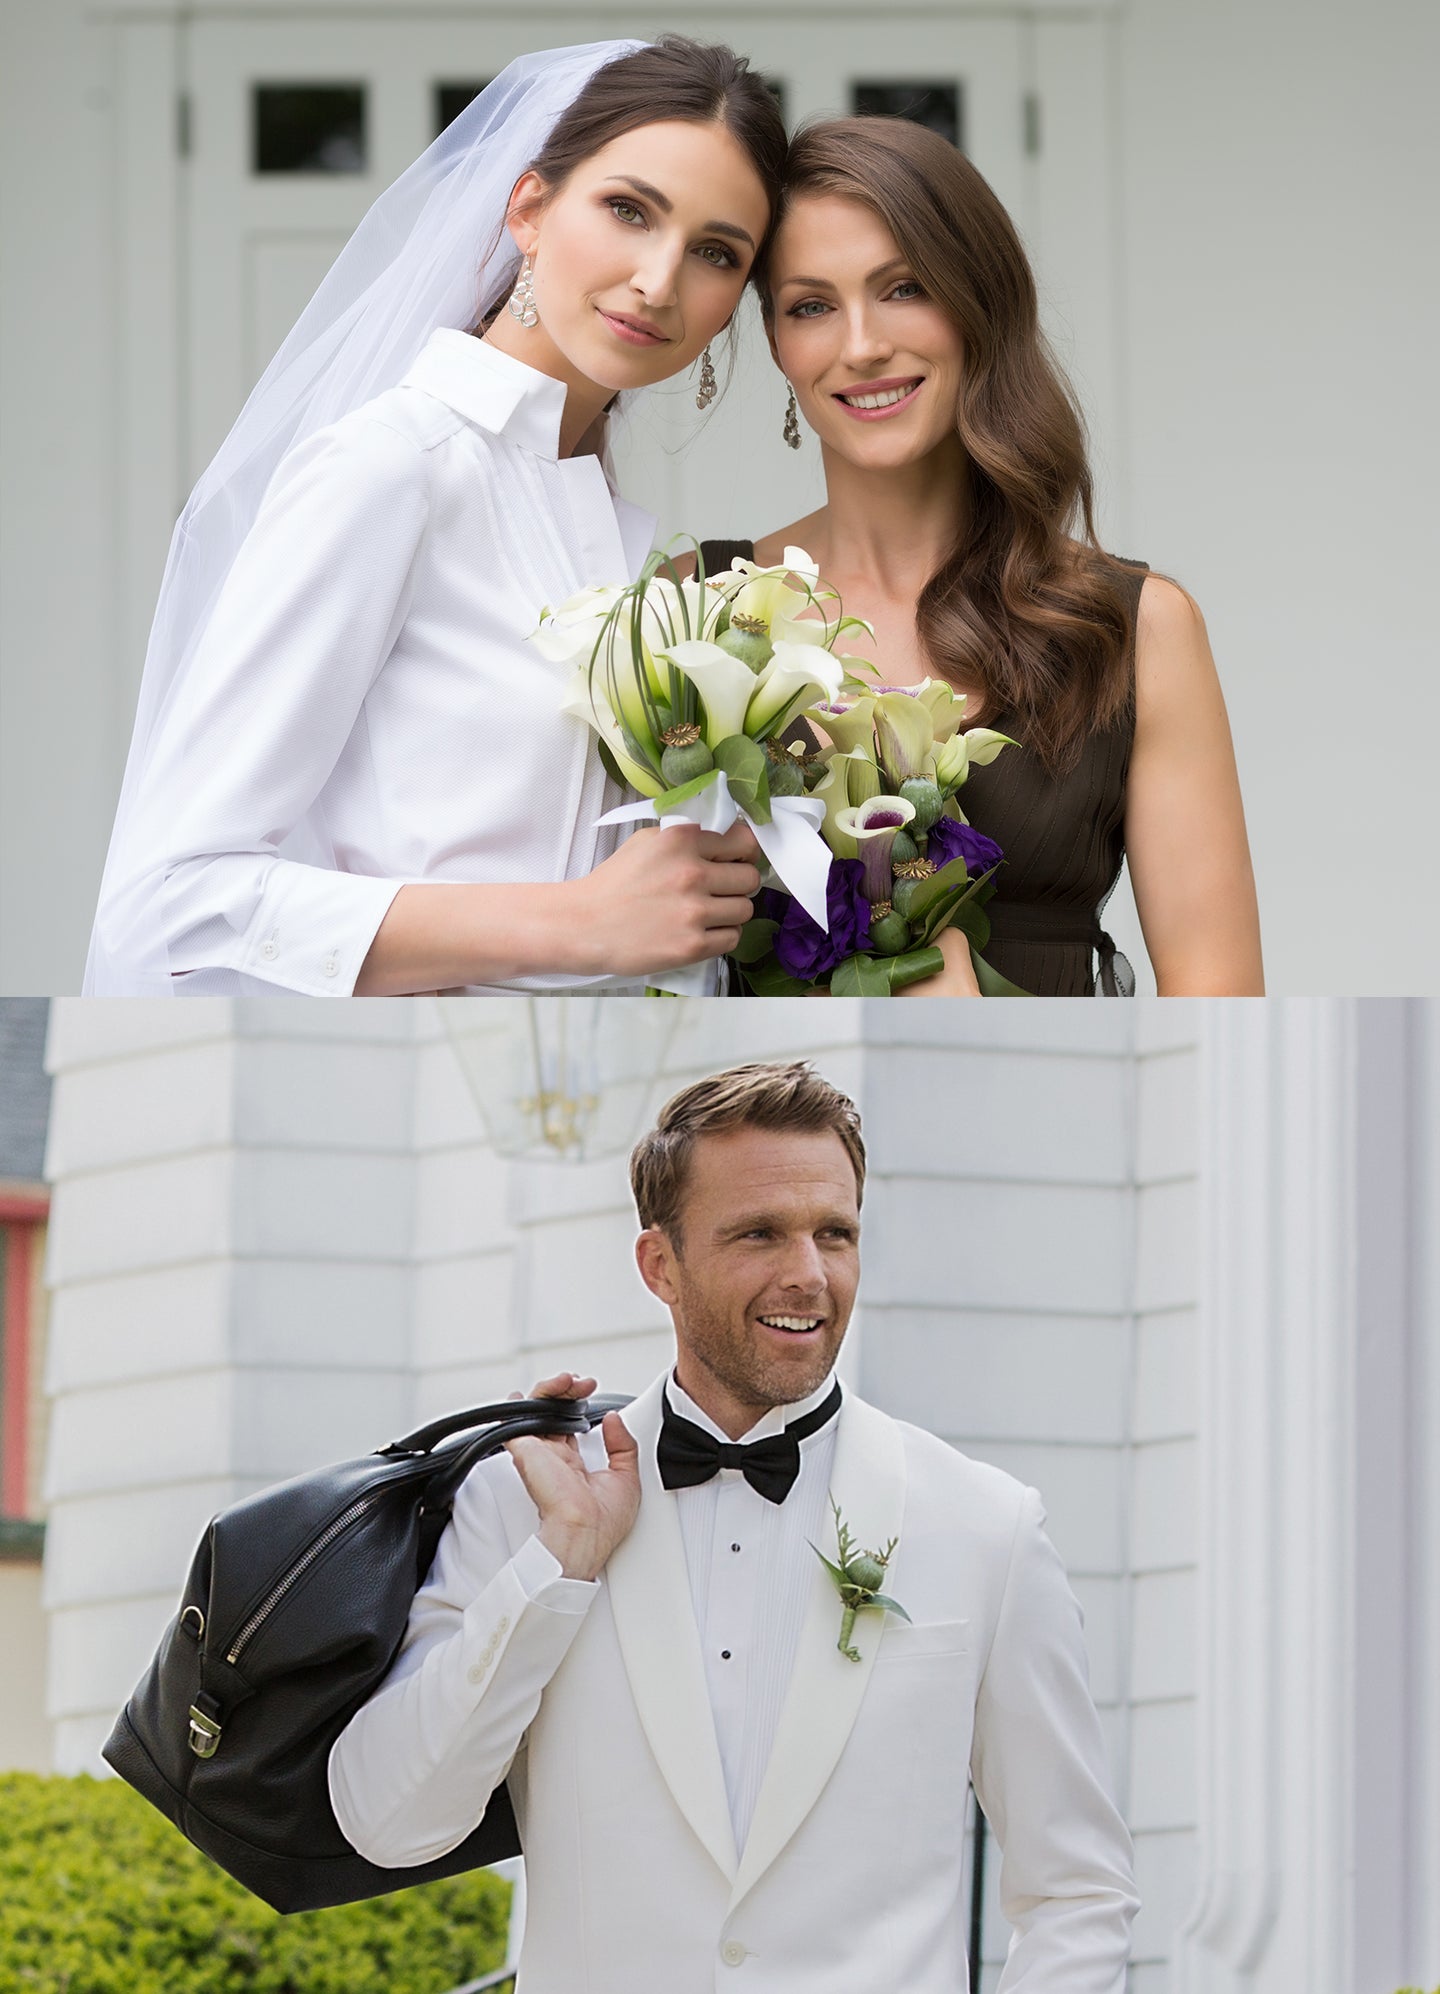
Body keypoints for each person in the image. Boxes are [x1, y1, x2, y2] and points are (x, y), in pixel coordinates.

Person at [329, 1061, 1139, 1991]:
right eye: (760, 1233)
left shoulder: (987, 1526)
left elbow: (1075, 1891)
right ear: (659, 1265)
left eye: (834, 1234)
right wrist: (555, 1569)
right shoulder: (522, 1501)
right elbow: (389, 1826)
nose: (808, 1274)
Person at [84, 38, 775, 997]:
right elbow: (173, 899)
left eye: (715, 252)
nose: (660, 281)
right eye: (628, 210)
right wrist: (577, 924)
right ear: (529, 209)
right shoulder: (392, 470)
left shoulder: (618, 535)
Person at [703, 116, 1265, 997]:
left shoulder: (1137, 627)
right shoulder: (694, 611)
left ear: (979, 303)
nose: (861, 345)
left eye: (904, 288)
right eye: (811, 305)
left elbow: (1223, 1023)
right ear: (777, 342)